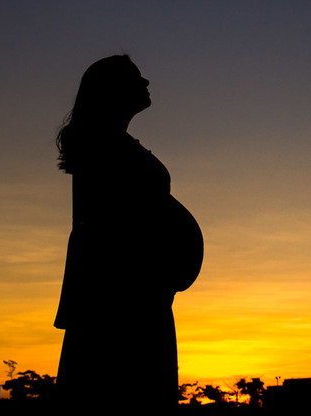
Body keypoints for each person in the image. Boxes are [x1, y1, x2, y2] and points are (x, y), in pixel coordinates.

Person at [53, 55, 203, 409]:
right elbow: (101, 229)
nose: (147, 82)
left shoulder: (116, 143)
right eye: (136, 78)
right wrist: (149, 276)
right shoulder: (100, 146)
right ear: (112, 90)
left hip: (145, 296)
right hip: (122, 305)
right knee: (127, 397)